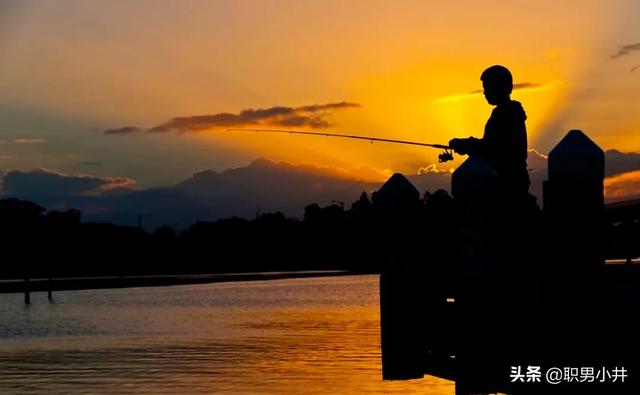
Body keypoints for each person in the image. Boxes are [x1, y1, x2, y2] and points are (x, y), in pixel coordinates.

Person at [449, 65, 530, 199]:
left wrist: (467, 145)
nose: (484, 93)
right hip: (514, 180)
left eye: (487, 87)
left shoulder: (506, 114)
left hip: (508, 183)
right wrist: (469, 145)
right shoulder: (508, 112)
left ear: (498, 88)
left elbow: (495, 149)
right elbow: (491, 147)